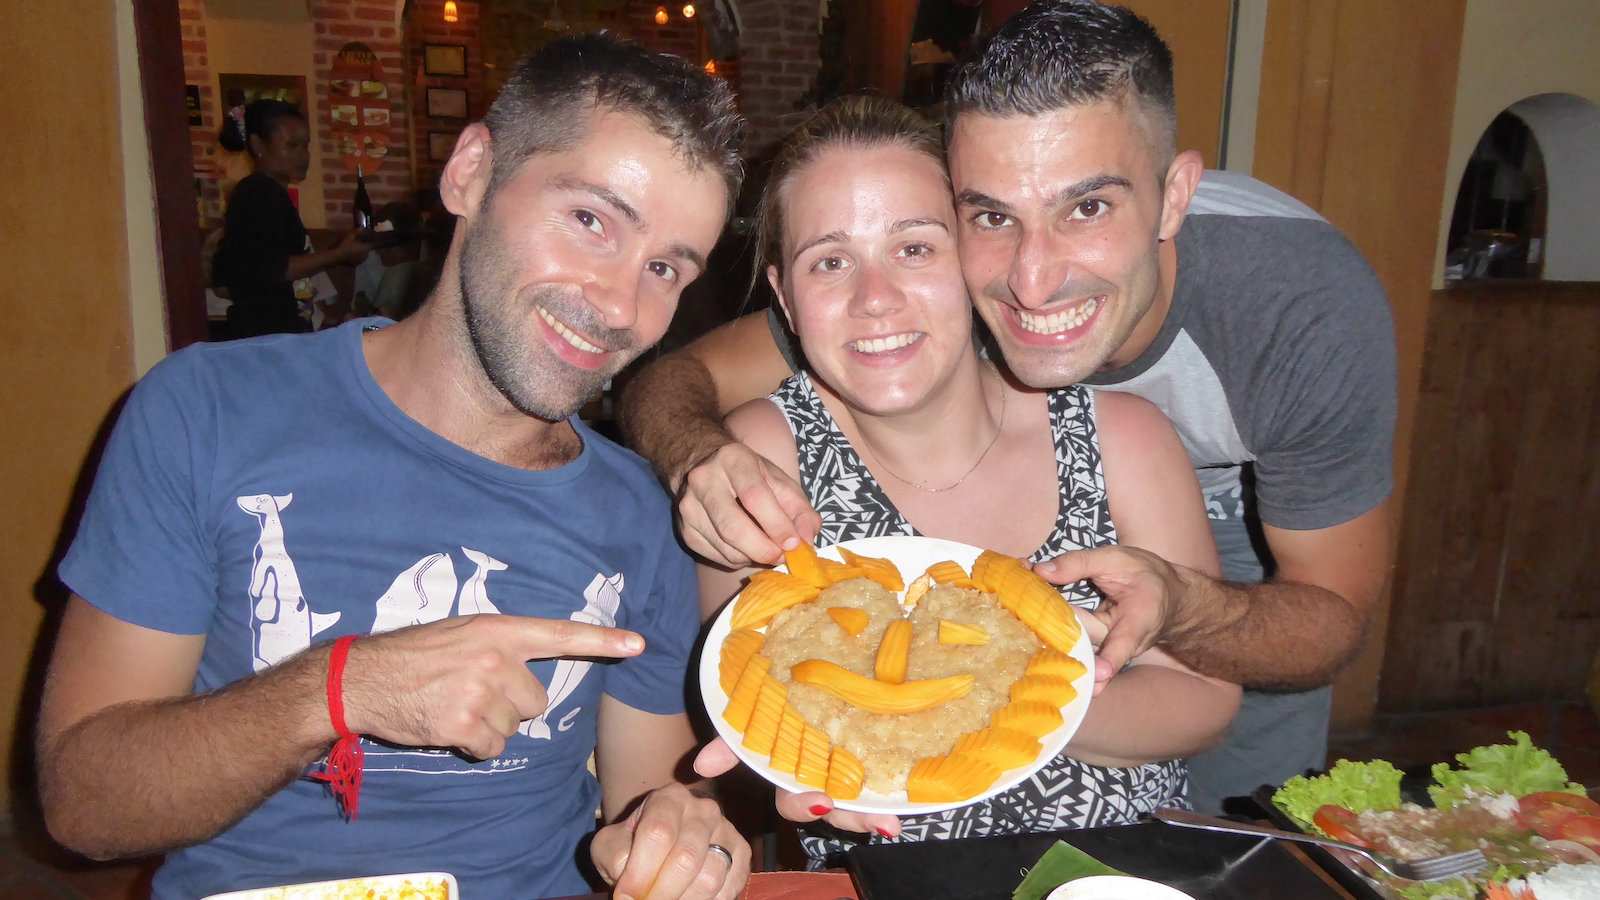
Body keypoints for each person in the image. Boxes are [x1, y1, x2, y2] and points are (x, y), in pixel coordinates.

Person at [627, 0, 1397, 814]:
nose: (1031, 280)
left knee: (1256, 808)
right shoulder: (863, 338)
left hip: (1254, 549)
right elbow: (673, 387)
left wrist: (992, 700)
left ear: (1175, 199)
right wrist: (694, 459)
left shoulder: (1292, 313)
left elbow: (1318, 621)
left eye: (1087, 207)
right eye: (994, 216)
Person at [39, 35, 750, 900]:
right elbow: (82, 805)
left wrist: (675, 832)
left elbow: (647, 802)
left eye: (666, 267)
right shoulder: (208, 411)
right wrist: (338, 690)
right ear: (471, 174)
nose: (621, 307)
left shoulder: (641, 514)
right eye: (592, 220)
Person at [695, 95, 1239, 862]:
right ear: (785, 296)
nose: (874, 298)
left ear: (977, 259)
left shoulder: (1124, 439)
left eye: (915, 248)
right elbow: (739, 695)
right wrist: (781, 771)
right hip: (888, 874)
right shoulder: (759, 457)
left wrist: (1004, 692)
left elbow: (1207, 698)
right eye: (830, 261)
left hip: (1120, 865)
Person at [212, 99, 371, 338]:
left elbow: (230, 274)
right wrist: (338, 254)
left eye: (305, 146)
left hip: (271, 333)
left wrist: (340, 254)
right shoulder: (259, 193)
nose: (303, 156)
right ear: (258, 145)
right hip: (269, 335)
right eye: (292, 145)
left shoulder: (264, 193)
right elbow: (271, 268)